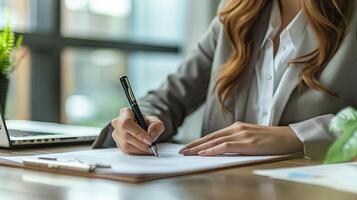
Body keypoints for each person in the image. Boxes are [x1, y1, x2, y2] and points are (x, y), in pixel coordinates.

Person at [93, 0, 357, 160]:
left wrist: (296, 136)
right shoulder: (235, 14)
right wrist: (142, 121)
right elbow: (170, 97)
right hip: (223, 188)